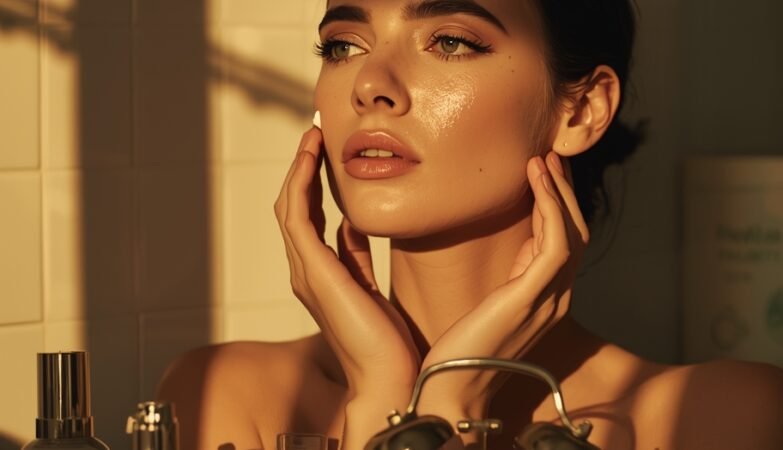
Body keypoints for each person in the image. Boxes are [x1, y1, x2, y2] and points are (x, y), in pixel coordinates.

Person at [156, 1, 783, 449]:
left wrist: (449, 408)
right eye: (343, 45)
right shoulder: (225, 398)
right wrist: (382, 396)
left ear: (583, 108)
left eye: (451, 41)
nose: (370, 84)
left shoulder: (714, 419)